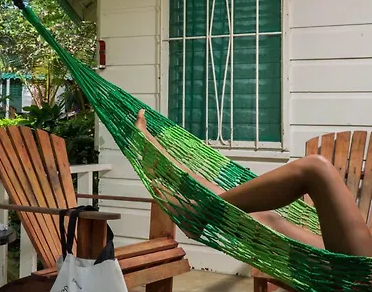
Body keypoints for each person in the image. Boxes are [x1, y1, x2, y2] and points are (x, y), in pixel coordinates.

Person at [134, 109, 372, 257]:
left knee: (315, 169)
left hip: (363, 277)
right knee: (268, 219)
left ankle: (200, 212)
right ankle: (161, 160)